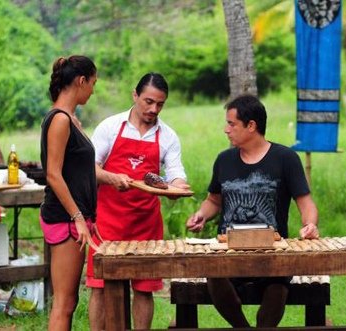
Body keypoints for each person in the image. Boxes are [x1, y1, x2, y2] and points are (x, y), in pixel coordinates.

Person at [186, 94, 319, 327]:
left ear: (251, 126)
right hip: (228, 252)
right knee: (213, 273)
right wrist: (201, 215)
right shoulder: (224, 160)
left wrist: (310, 224)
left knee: (278, 285)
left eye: (231, 124)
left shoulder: (285, 158)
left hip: (272, 255)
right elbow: (214, 201)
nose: (226, 130)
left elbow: (306, 203)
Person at [86, 72, 189, 330]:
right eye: (148, 102)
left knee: (144, 290)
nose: (154, 109)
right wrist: (111, 178)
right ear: (135, 95)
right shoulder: (110, 127)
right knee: (99, 288)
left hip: (146, 226)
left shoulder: (168, 136)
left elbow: (176, 177)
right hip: (106, 223)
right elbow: (88, 169)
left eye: (160, 104)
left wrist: (177, 189)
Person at [39, 55, 98, 331]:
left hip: (74, 217)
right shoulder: (60, 119)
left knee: (69, 301)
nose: (94, 90)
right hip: (64, 218)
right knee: (63, 303)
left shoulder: (71, 119)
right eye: (93, 83)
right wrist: (76, 217)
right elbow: (53, 173)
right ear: (81, 80)